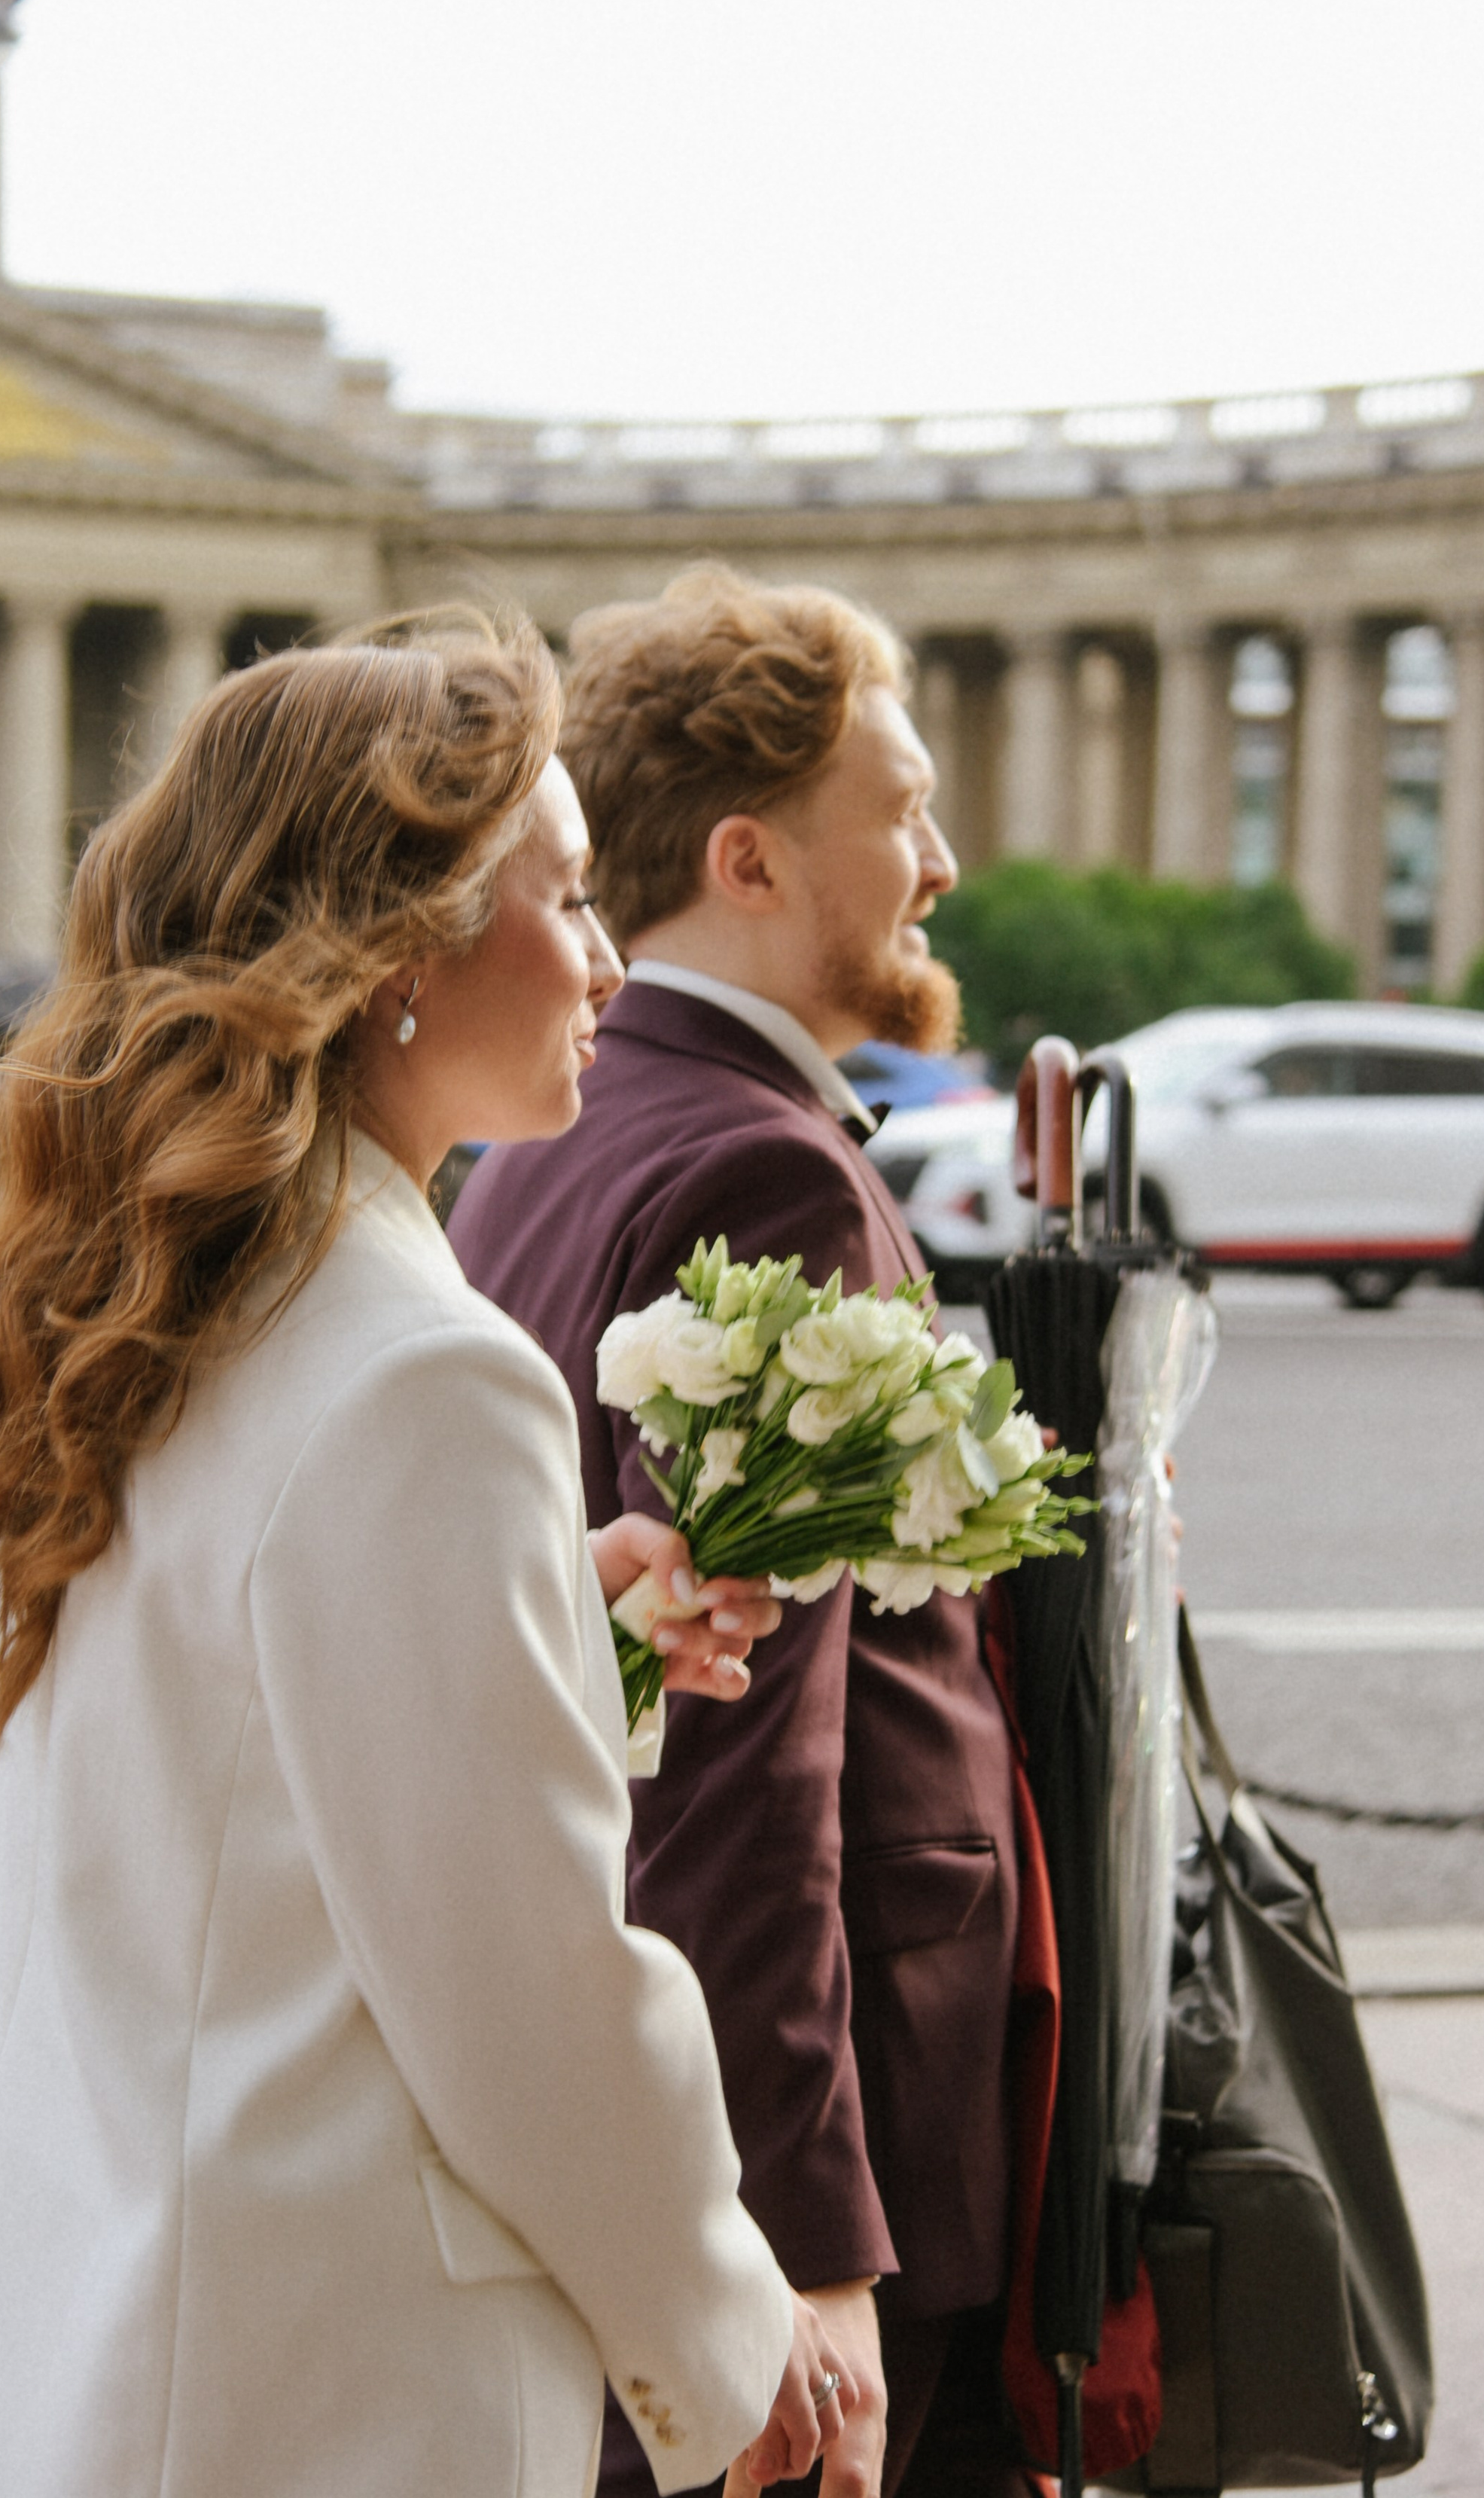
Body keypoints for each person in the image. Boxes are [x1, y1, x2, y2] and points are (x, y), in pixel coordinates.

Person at [0, 613, 858, 2498]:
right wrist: (737, 2337)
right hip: (311, 2380)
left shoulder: (139, 1303)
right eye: (558, 896)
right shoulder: (425, 1374)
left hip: (91, 2325)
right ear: (397, 949)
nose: (609, 958)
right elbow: (526, 1992)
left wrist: (574, 1624)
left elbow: (234, 1774)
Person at [449, 568, 1054, 2498]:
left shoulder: (554, 1129)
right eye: (900, 808)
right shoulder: (763, 1169)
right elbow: (737, 1757)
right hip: (832, 2124)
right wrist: (800, 2247)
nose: (939, 862)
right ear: (748, 857)